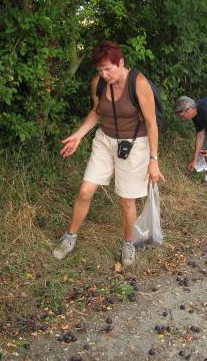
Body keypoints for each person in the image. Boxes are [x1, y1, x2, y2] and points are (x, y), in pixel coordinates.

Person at [53, 40, 164, 266]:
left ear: (121, 62)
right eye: (100, 70)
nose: (104, 75)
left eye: (108, 69)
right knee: (85, 191)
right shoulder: (98, 83)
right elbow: (96, 112)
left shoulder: (139, 83)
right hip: (104, 141)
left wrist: (154, 160)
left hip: (134, 145)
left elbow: (152, 124)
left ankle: (128, 243)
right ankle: (70, 237)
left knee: (126, 201)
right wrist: (79, 134)